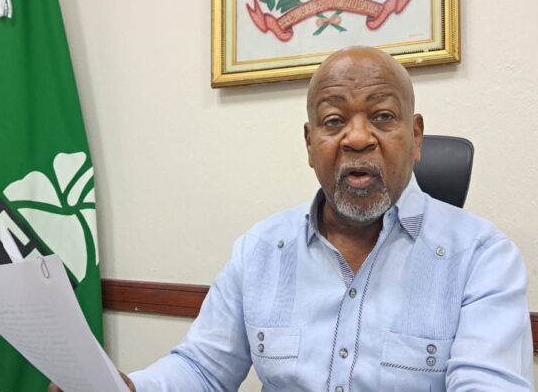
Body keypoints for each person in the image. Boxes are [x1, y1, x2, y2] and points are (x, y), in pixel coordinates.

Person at [53, 46, 534, 391]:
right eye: (333, 121)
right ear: (309, 144)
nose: (357, 138)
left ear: (416, 136)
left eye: (383, 117)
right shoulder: (260, 250)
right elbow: (202, 369)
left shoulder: (481, 257)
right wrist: (129, 388)